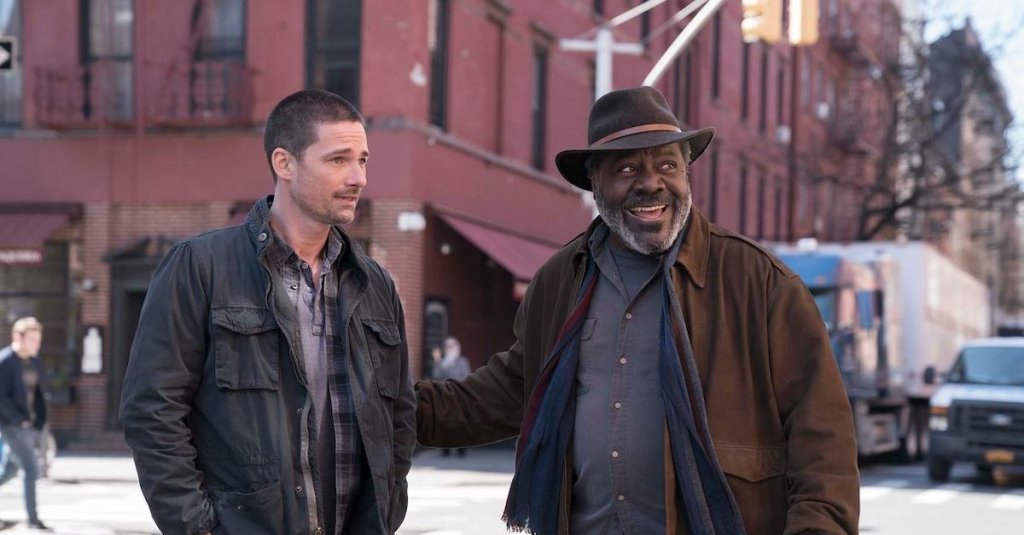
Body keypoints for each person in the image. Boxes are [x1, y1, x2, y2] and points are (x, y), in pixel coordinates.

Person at [416, 86, 859, 534]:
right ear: (595, 183)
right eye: (627, 168)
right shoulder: (560, 280)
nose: (651, 183)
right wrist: (391, 406)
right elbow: (508, 392)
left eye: (667, 165)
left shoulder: (759, 282)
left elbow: (823, 436)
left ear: (686, 172)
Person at [120, 89, 416, 535]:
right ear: (285, 163)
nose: (358, 178)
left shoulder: (374, 284)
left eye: (363, 160)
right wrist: (196, 528)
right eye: (338, 160)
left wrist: (388, 510)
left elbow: (400, 415)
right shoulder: (200, 266)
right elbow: (152, 409)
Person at [0, 317, 49, 531]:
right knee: (31, 468)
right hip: (11, 424)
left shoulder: (35, 361)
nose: (36, 344)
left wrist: (38, 422)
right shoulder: (5, 361)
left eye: (38, 340)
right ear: (18, 337)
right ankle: (33, 520)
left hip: (29, 425)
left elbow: (38, 394)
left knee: (9, 470)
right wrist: (18, 420)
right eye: (32, 340)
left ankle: (33, 519)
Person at [428, 338, 471, 457]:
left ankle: (461, 449)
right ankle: (445, 449)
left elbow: (466, 377)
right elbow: (435, 376)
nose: (450, 349)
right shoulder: (442, 362)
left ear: (458, 348)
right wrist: (437, 361)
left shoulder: (463, 362)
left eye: (452, 346)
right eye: (448, 347)